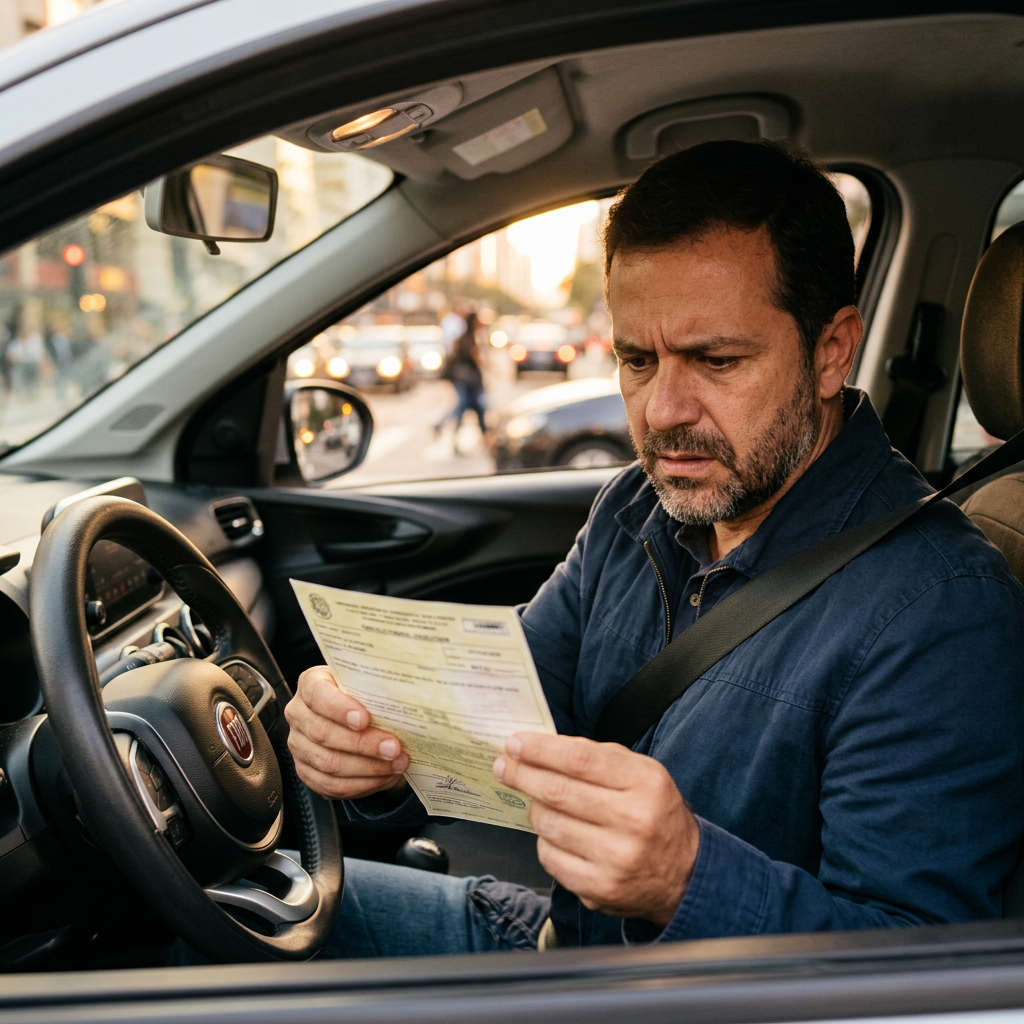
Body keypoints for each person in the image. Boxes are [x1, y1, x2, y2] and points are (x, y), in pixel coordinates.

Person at [284, 141, 1024, 954]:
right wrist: (375, 745)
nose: (663, 410)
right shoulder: (636, 506)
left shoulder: (941, 611)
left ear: (831, 352)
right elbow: (513, 707)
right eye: (637, 360)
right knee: (242, 920)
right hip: (561, 941)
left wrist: (685, 879)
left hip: (694, 998)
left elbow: (916, 971)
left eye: (716, 360)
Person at [435, 312, 487, 448]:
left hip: (467, 380)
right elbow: (475, 360)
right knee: (465, 406)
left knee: (471, 407)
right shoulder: (468, 339)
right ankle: (443, 428)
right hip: (466, 380)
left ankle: (483, 437)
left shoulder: (467, 338)